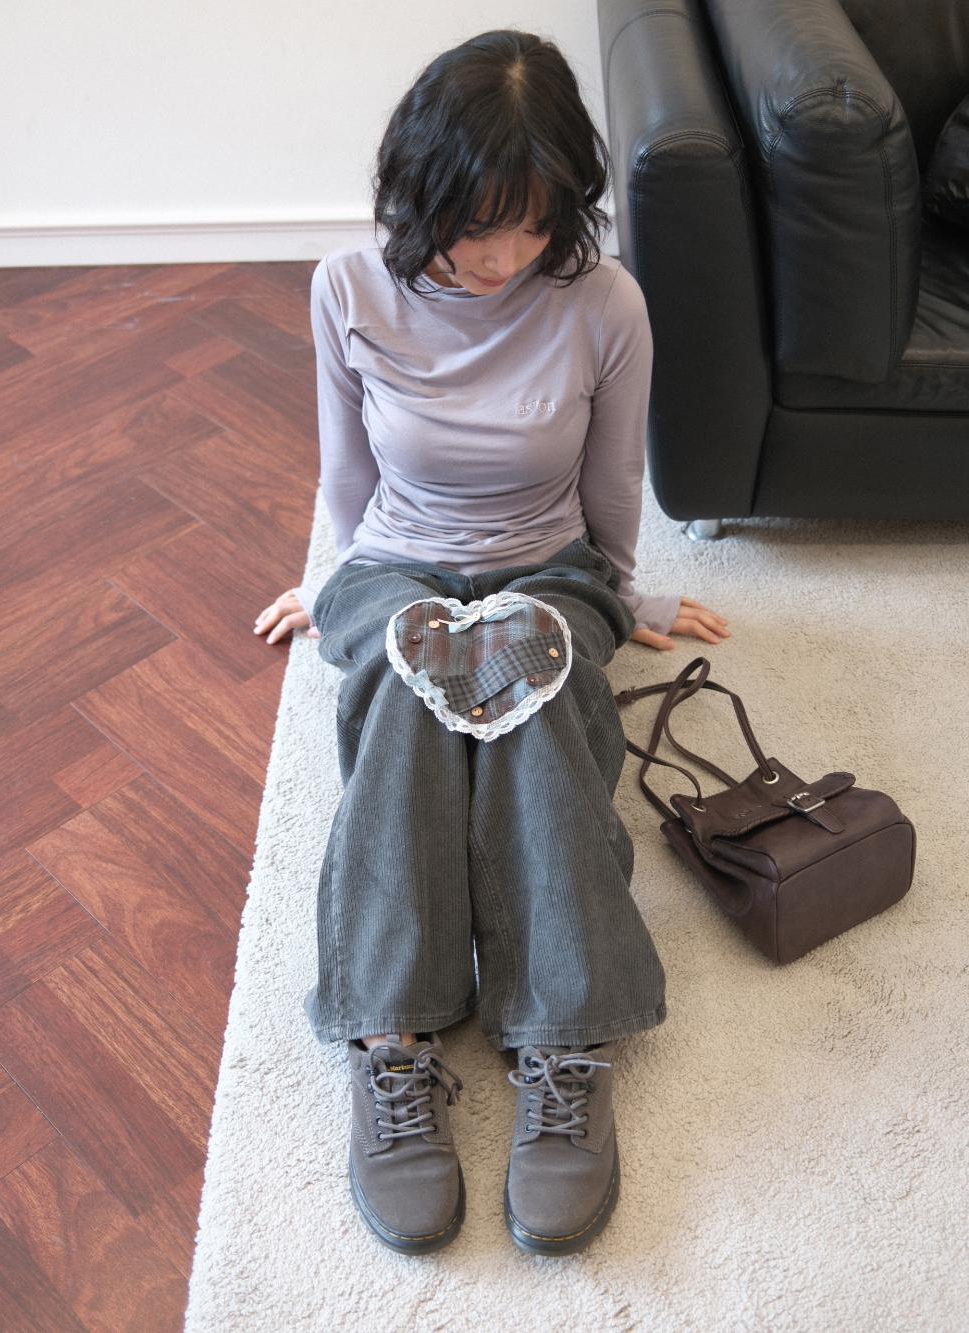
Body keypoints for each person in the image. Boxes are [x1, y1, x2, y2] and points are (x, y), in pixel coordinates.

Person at [254, 29, 728, 1257]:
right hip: (399, 559)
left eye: (530, 225)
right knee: (405, 678)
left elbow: (610, 484)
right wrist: (334, 586)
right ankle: (393, 1036)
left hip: (544, 562)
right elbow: (347, 477)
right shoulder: (346, 288)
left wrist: (623, 597)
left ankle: (563, 1037)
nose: (501, 258)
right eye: (473, 228)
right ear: (416, 189)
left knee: (531, 679)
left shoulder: (604, 301)